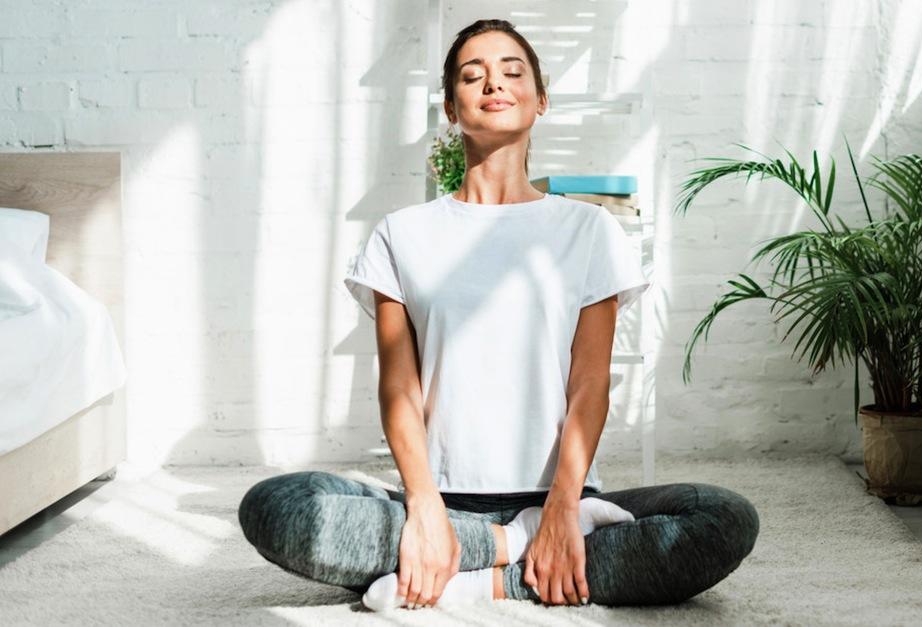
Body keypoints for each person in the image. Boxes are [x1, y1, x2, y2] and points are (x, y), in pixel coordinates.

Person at [238, 18, 759, 612]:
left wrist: (562, 507)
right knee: (277, 507)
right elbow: (399, 391)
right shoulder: (401, 235)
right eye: (472, 74)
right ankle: (513, 547)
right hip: (440, 497)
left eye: (513, 72)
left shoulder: (589, 229)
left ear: (540, 100)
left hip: (563, 494)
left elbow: (589, 385)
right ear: (451, 108)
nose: (494, 82)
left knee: (723, 518)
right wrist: (425, 508)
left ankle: (472, 573)